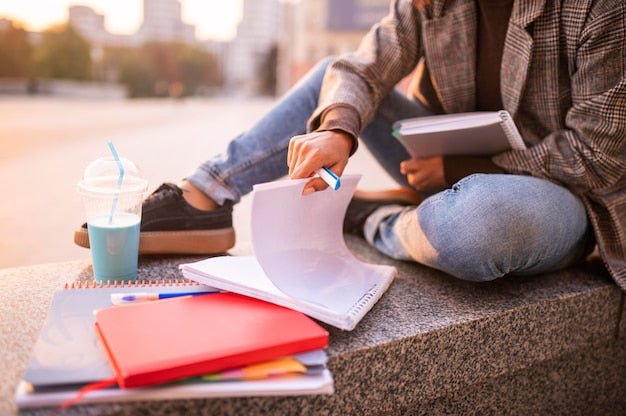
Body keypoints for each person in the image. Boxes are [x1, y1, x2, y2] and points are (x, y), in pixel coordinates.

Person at [74, 0, 625, 290]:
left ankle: (372, 219)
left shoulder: (601, 7)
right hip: (445, 163)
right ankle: (206, 195)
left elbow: (599, 156)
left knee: (479, 227)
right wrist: (336, 128)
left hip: (565, 197)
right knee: (333, 79)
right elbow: (361, 67)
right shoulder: (431, 0)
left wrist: (460, 165)